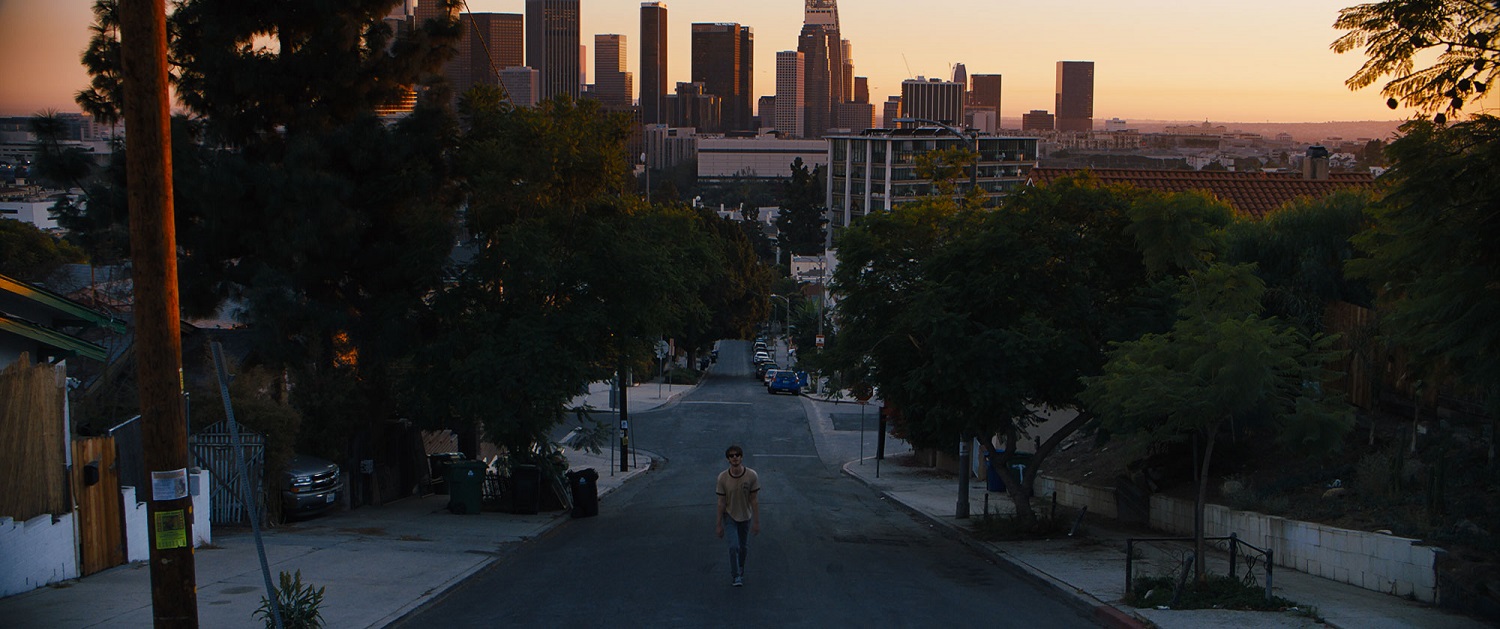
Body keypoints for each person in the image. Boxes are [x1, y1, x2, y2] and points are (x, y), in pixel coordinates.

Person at [714, 444, 760, 587]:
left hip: (745, 516)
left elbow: (754, 499)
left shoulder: (751, 475)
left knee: (743, 547)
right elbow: (721, 502)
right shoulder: (722, 477)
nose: (735, 458)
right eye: (731, 456)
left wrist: (756, 522)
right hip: (730, 516)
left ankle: (741, 567)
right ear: (728, 459)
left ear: (741, 457)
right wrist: (719, 524)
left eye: (737, 455)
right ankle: (736, 576)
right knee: (734, 546)